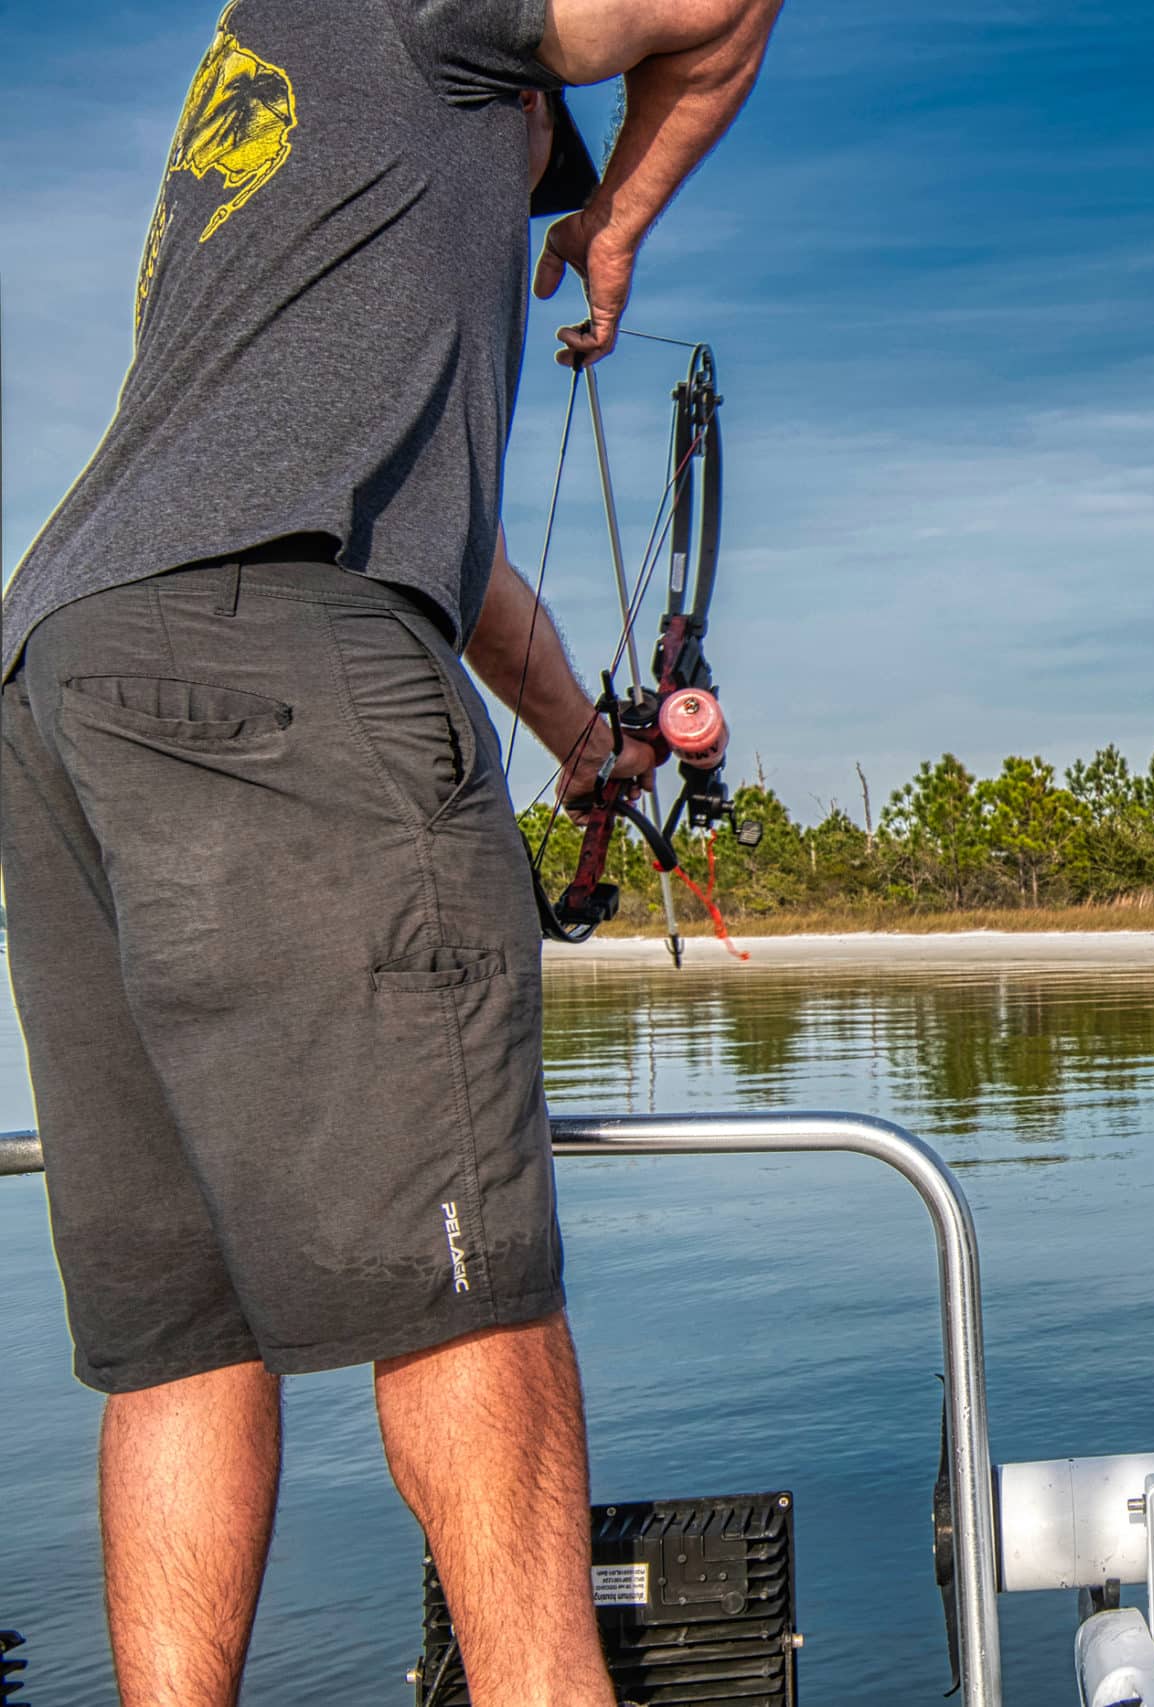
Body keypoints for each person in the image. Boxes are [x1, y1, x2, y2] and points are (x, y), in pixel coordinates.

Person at [0, 2, 780, 1702]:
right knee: (466, 1291)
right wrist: (622, 218)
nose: (530, 192)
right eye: (544, 140)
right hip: (270, 644)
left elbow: (469, 573)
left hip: (60, 670)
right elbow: (718, 12)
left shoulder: (271, 199)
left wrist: (591, 749)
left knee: (179, 1343)